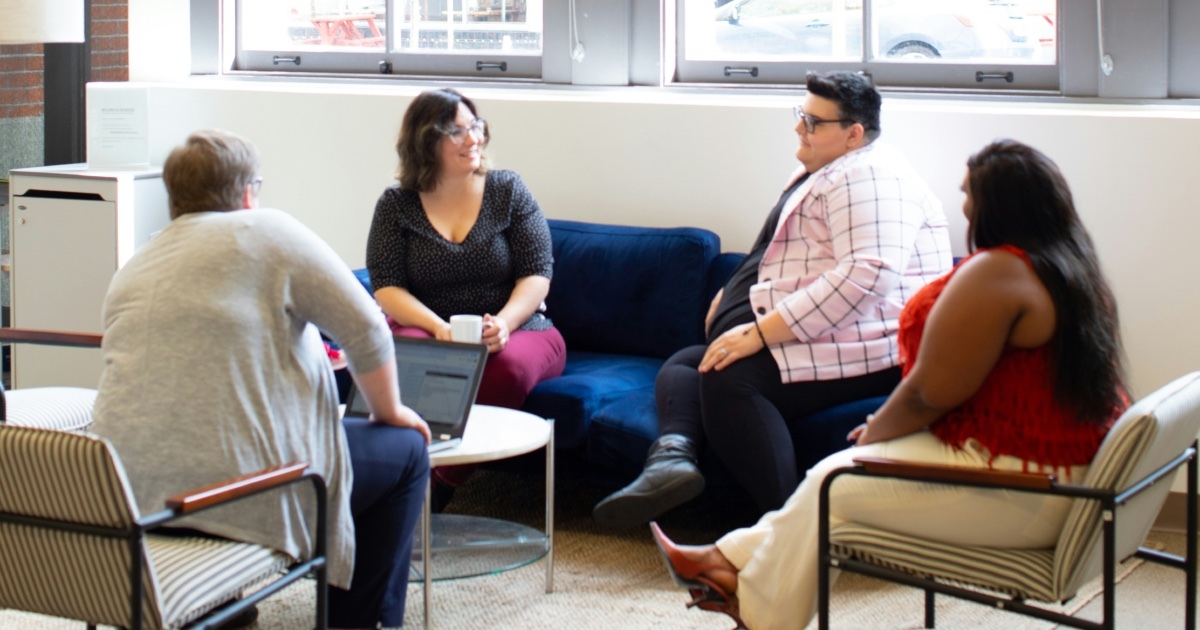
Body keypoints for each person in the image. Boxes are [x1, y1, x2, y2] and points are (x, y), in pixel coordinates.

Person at [650, 139, 1129, 630]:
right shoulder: (1070, 266)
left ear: (996, 203)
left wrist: (880, 430)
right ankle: (725, 564)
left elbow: (930, 392)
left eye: (968, 192)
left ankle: (753, 609)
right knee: (832, 482)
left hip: (1023, 484)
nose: (962, 203)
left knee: (833, 486)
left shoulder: (1000, 271)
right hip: (1053, 471)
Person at [91, 129, 432, 630]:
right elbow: (368, 329)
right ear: (249, 191)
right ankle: (358, 622)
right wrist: (392, 412)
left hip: (129, 498)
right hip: (241, 496)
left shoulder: (138, 263)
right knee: (406, 452)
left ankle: (222, 608)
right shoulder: (267, 231)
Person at [593, 71, 953, 527]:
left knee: (730, 379)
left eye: (813, 121)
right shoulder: (828, 169)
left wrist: (761, 331)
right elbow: (791, 254)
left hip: (874, 346)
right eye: (800, 115)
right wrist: (733, 293)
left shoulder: (872, 177)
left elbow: (868, 276)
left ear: (853, 133)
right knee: (688, 362)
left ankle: (786, 529)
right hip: (836, 334)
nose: (799, 128)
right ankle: (671, 460)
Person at [367, 88, 566, 503]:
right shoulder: (396, 205)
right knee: (413, 355)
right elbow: (386, 285)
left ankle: (437, 484)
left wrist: (505, 324)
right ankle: (402, 471)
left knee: (504, 367)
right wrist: (437, 327)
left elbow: (537, 273)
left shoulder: (506, 190)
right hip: (430, 326)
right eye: (456, 132)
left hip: (521, 327)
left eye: (475, 126)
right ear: (426, 141)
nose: (473, 139)